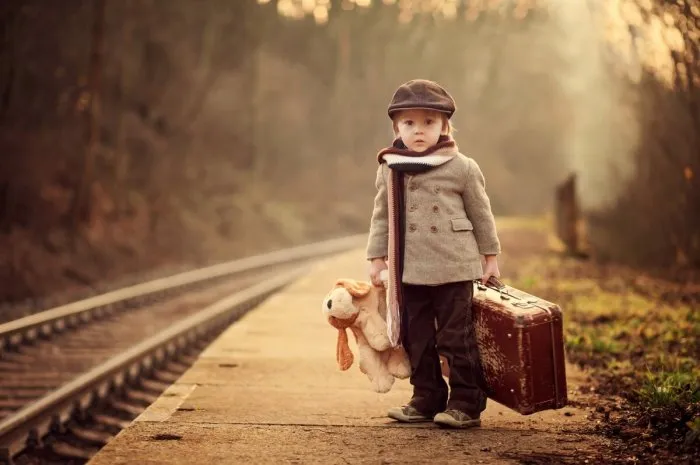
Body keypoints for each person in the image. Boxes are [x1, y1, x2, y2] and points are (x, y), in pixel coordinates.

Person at [366, 79, 501, 429]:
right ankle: (426, 397)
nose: (419, 130)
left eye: (429, 122)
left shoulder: (462, 167)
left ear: (444, 126)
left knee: (456, 337)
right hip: (410, 268)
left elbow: (481, 215)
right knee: (418, 338)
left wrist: (490, 257)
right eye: (409, 123)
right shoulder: (390, 167)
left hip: (454, 266)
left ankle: (466, 402)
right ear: (397, 127)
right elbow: (381, 214)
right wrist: (376, 256)